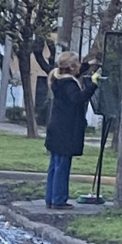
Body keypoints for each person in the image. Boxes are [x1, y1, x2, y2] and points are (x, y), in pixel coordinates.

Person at [44, 52, 101, 209]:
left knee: (54, 165)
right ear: (71, 66)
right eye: (78, 63)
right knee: (63, 166)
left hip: (56, 128)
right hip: (66, 130)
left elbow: (77, 70)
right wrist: (93, 85)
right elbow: (78, 98)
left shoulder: (58, 79)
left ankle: (51, 198)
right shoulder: (69, 84)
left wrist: (89, 64)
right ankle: (59, 200)